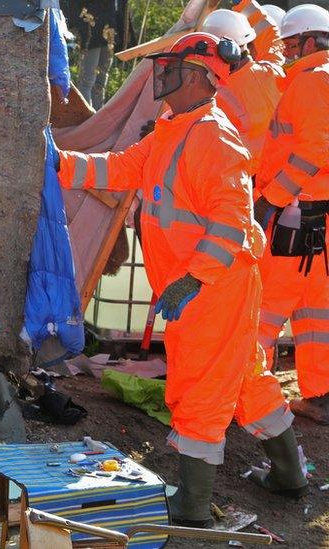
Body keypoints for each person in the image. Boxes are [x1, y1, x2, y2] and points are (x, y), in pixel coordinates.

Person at [56, 33, 307, 527]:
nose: (159, 72)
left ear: (196, 75)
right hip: (209, 285)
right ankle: (290, 475)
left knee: (200, 388)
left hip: (215, 287)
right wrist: (58, 164)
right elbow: (121, 168)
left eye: (168, 64)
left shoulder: (214, 136)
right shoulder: (175, 129)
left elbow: (232, 223)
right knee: (246, 378)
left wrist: (193, 279)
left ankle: (192, 507)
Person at [253, 5, 329, 425]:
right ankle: (321, 394)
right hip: (322, 220)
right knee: (317, 309)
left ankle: (250, 391)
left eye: (292, 44)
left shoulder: (311, 82)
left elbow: (314, 151)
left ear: (311, 42)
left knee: (263, 307)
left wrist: (271, 199)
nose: (287, 52)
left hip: (297, 216)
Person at [203, 9, 285, 171]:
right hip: (285, 173)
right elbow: (271, 36)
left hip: (250, 183)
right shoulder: (274, 70)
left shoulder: (216, 96)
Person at [64, 0, 129, 108]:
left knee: (101, 81)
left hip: (109, 33)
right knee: (87, 80)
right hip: (90, 33)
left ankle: (98, 116)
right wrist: (77, 26)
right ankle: (85, 117)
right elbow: (72, 6)